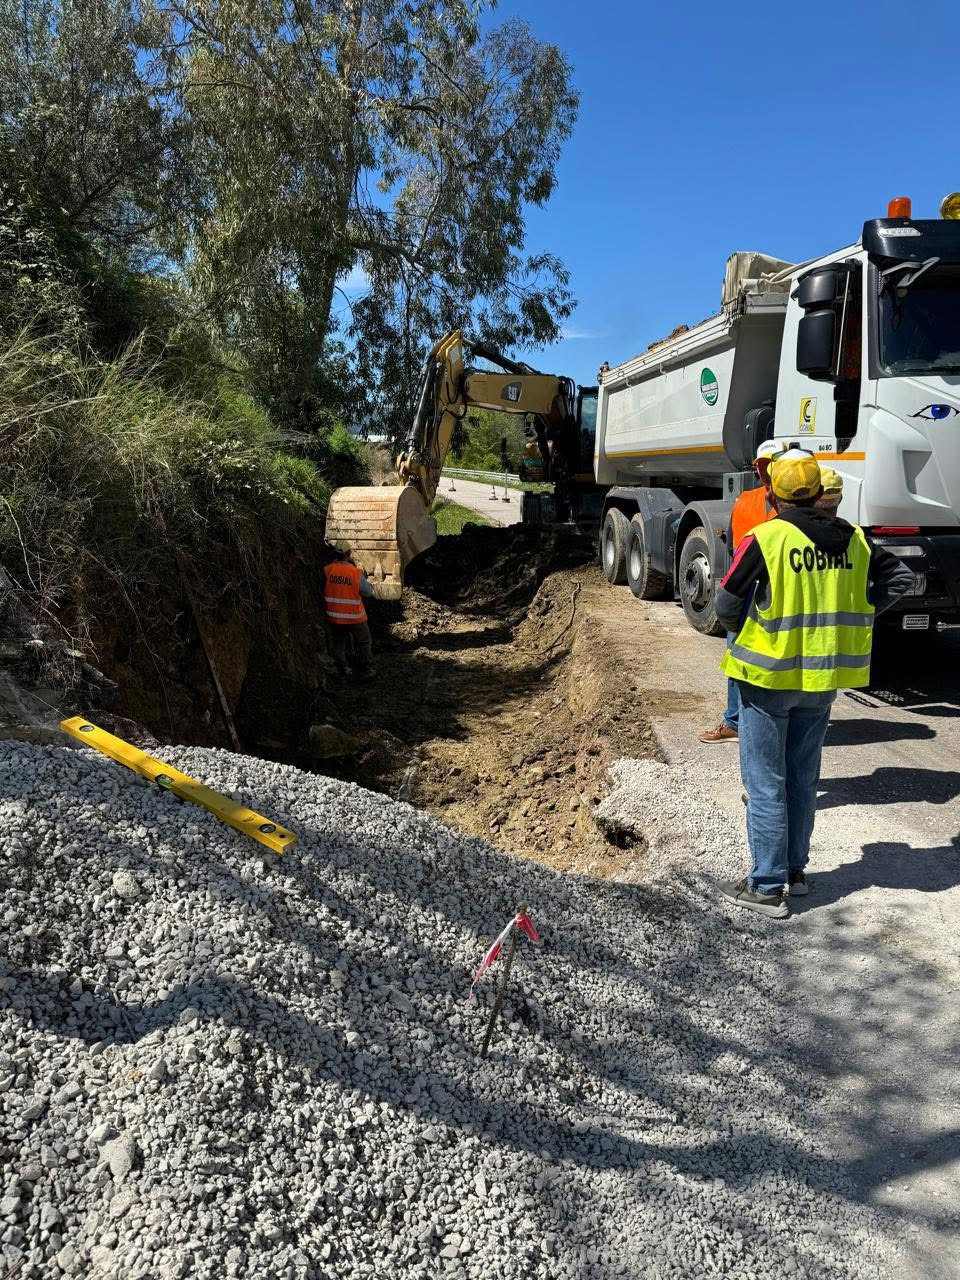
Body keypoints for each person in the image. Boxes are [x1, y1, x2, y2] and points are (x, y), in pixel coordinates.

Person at [714, 449, 913, 918]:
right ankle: (797, 873)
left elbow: (724, 605)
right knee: (802, 777)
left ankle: (765, 886)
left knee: (765, 783)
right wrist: (862, 614)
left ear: (775, 493)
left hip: (767, 677)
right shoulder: (856, 540)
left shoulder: (768, 537)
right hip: (822, 679)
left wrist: (749, 625)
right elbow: (900, 577)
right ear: (817, 492)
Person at [699, 439, 786, 744]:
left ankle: (751, 721)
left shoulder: (781, 507)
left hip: (764, 594)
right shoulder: (754, 502)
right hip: (756, 592)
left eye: (768, 465)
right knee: (740, 658)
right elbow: (736, 548)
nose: (765, 471)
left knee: (752, 659)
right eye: (764, 466)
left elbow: (737, 549)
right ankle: (736, 720)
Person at [322, 541, 375, 680]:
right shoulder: (355, 572)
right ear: (348, 554)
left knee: (338, 644)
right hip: (354, 617)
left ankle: (342, 670)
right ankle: (366, 670)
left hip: (335, 617)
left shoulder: (327, 570)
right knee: (364, 641)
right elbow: (368, 592)